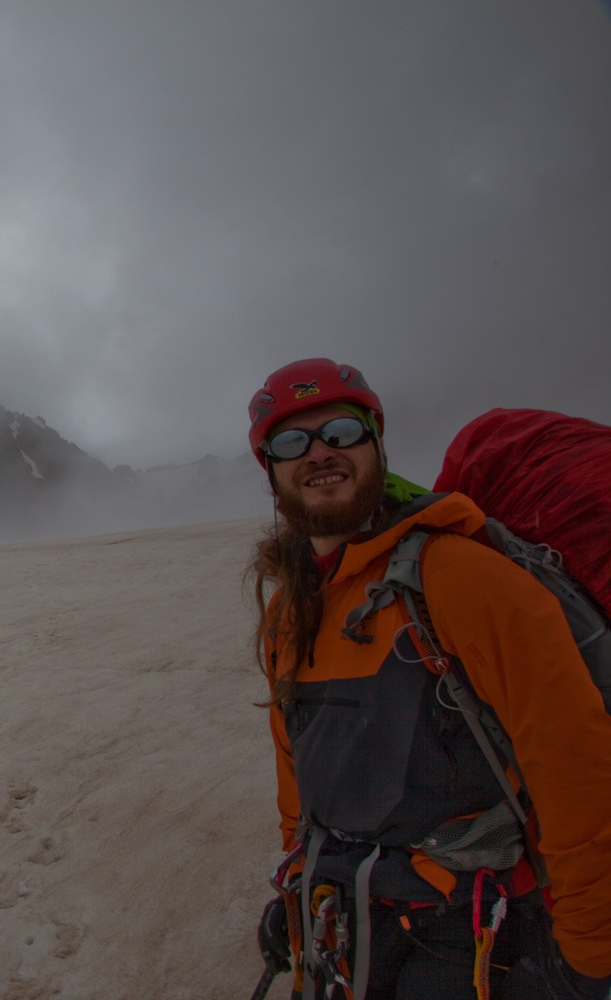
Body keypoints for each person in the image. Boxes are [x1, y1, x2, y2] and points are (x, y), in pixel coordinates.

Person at [245, 358, 611, 1000]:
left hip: (474, 934)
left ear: (376, 443)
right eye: (291, 442)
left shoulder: (462, 579)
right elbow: (297, 779)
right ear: (270, 469)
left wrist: (589, 961)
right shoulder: (290, 614)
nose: (319, 453)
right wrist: (298, 884)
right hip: (356, 920)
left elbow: (578, 773)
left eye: (341, 431)